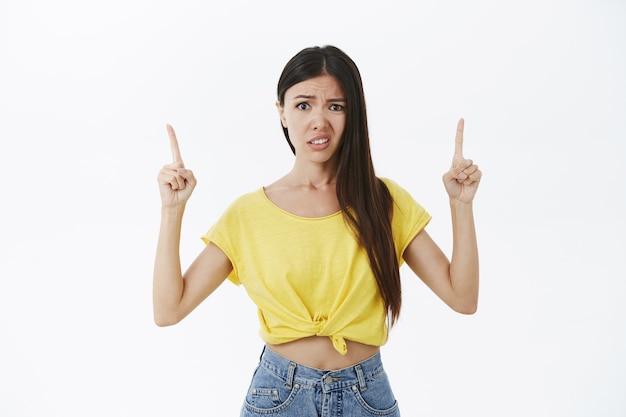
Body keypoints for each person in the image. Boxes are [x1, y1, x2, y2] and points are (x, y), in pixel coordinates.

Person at [154, 45, 481, 417]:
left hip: (366, 397)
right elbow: (168, 309)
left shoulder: (383, 201)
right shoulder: (247, 214)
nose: (319, 122)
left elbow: (463, 298)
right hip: (278, 397)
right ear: (281, 113)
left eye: (336, 106)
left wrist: (461, 204)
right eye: (303, 105)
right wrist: (172, 210)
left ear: (352, 114)